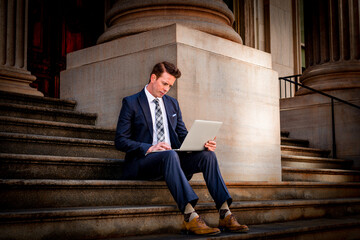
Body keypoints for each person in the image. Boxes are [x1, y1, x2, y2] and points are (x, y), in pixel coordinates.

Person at [115, 61, 249, 235]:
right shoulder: (131, 102)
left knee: (207, 156)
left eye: (170, 86)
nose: (166, 89)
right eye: (164, 83)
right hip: (143, 162)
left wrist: (202, 144)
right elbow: (120, 140)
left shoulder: (172, 104)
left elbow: (182, 135)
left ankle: (224, 212)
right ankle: (190, 216)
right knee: (169, 154)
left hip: (171, 161)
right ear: (153, 77)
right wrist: (150, 147)